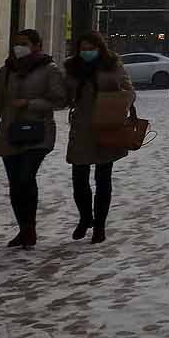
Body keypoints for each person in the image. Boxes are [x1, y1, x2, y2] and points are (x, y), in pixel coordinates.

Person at [0, 29, 70, 249]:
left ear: (37, 45)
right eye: (16, 43)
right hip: (10, 132)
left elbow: (59, 100)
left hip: (38, 132)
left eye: (24, 43)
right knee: (15, 183)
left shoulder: (49, 69)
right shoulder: (6, 70)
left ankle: (30, 229)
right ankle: (24, 228)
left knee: (26, 177)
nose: (19, 47)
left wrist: (30, 104)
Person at [63, 31, 134, 243]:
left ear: (99, 48)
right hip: (82, 127)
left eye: (90, 48)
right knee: (79, 179)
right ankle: (85, 218)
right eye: (83, 49)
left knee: (103, 179)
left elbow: (129, 90)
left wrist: (117, 100)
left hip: (107, 125)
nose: (87, 52)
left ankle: (100, 226)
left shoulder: (113, 64)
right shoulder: (71, 67)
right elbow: (64, 96)